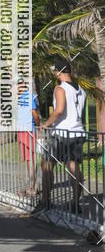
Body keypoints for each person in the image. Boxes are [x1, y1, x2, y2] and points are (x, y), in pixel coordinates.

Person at [38, 59, 86, 212]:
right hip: (77, 132)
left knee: (46, 164)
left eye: (54, 71)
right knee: (73, 166)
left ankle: (45, 201)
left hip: (62, 133)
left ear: (58, 71)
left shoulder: (60, 89)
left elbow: (59, 111)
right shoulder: (81, 90)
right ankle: (75, 202)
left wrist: (46, 124)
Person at [17, 80, 40, 197]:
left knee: (31, 159)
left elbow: (35, 114)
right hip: (21, 131)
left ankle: (34, 188)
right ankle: (29, 186)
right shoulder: (19, 98)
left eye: (21, 85)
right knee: (27, 159)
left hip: (29, 131)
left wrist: (37, 126)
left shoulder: (29, 96)